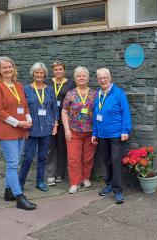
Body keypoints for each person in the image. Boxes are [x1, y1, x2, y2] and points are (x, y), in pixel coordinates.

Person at [0, 56, 36, 210]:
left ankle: (8, 192)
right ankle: (19, 196)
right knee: (12, 163)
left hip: (21, 128)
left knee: (14, 163)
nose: (8, 70)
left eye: (10, 67)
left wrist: (28, 120)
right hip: (7, 129)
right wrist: (18, 122)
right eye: (4, 68)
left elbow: (24, 105)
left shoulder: (18, 85)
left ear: (13, 68)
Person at [92, 68, 132, 204]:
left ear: (110, 78)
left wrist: (125, 130)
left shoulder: (118, 93)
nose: (102, 80)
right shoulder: (98, 94)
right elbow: (96, 115)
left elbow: (125, 112)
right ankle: (109, 184)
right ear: (97, 80)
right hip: (102, 135)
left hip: (116, 135)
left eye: (105, 77)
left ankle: (118, 190)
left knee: (115, 162)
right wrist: (94, 133)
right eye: (100, 78)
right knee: (107, 161)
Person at [19, 63, 59, 192]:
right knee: (28, 158)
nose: (39, 75)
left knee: (42, 157)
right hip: (32, 129)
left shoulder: (50, 90)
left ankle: (40, 181)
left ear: (45, 74)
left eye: (41, 73)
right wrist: (23, 122)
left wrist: (55, 124)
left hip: (47, 128)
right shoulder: (26, 89)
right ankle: (20, 183)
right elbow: (22, 108)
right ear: (33, 74)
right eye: (37, 72)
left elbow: (54, 108)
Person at [62, 66, 98, 194]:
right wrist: (66, 130)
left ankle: (85, 177)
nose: (81, 78)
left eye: (84, 75)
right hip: (74, 132)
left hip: (90, 132)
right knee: (74, 158)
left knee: (88, 157)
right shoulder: (70, 94)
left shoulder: (94, 94)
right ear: (75, 79)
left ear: (88, 78)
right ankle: (75, 182)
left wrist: (97, 131)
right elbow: (64, 111)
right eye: (79, 76)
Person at [45, 61, 76, 186]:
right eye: (56, 69)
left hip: (65, 121)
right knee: (51, 147)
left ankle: (60, 173)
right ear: (53, 71)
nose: (58, 71)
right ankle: (50, 174)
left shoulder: (71, 84)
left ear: (64, 70)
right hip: (50, 120)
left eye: (60, 69)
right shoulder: (47, 83)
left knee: (63, 147)